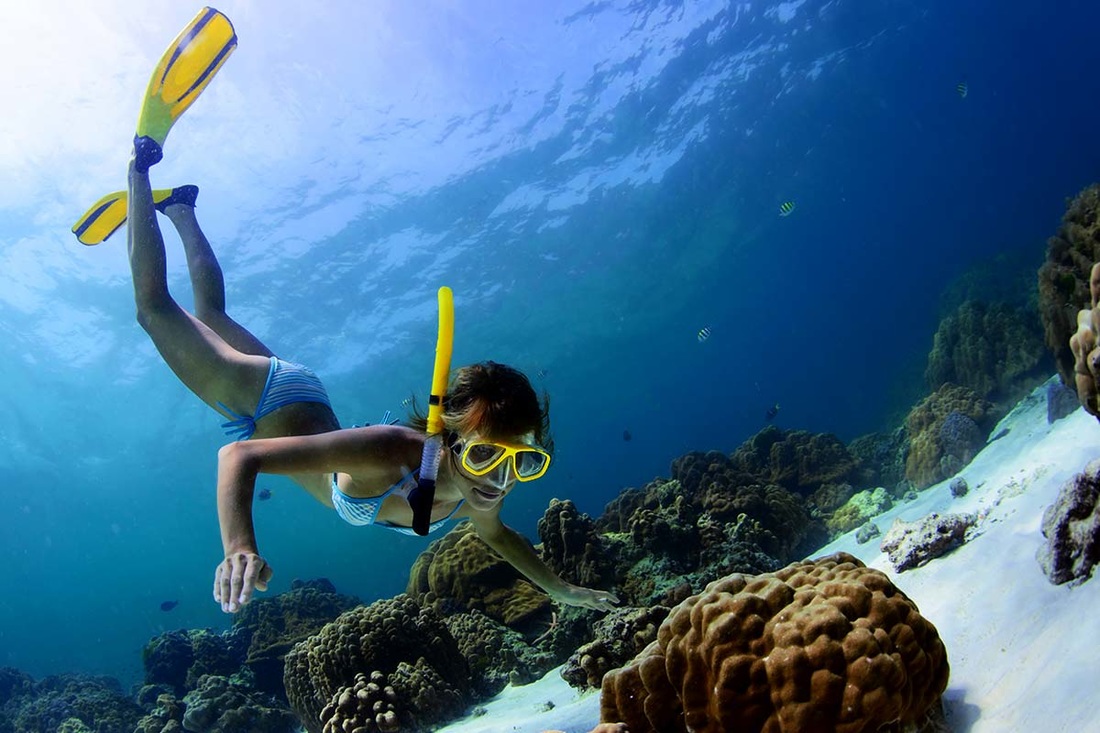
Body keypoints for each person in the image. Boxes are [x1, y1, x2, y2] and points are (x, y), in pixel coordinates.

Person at [78, 7, 618, 618]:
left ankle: (180, 208)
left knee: (208, 310)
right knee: (154, 309)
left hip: (301, 399)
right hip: (266, 403)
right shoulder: (395, 452)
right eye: (487, 455)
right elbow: (239, 456)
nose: (500, 478)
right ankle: (141, 162)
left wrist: (562, 590)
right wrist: (239, 547)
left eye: (524, 460)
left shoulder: (480, 484)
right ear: (446, 436)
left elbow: (496, 535)